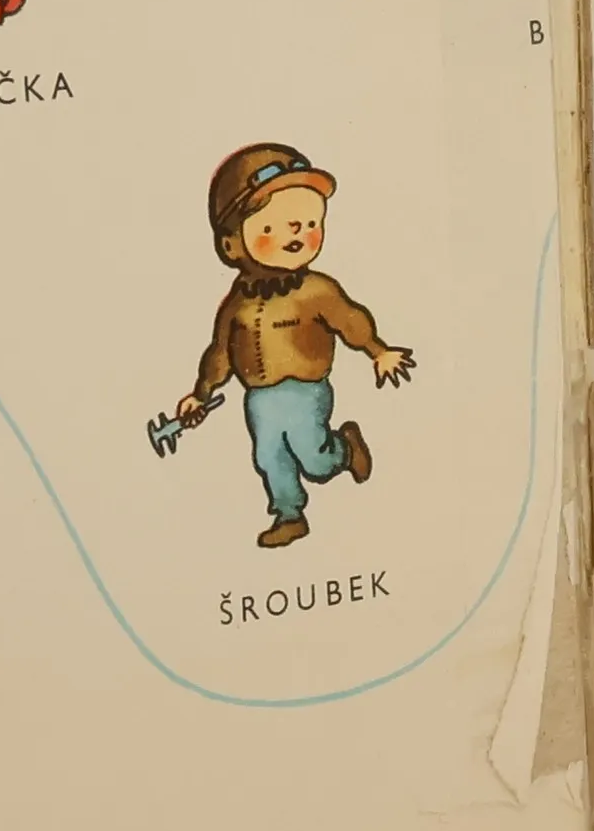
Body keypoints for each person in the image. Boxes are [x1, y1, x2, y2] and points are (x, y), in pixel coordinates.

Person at [178, 144, 417, 548]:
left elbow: (350, 320)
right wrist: (200, 394)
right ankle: (289, 515)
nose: (297, 234)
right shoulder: (236, 305)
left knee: (314, 458)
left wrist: (378, 351)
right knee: (269, 458)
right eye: (272, 228)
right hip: (259, 398)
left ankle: (344, 450)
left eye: (309, 223)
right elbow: (220, 353)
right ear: (231, 244)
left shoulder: (315, 290)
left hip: (306, 391)